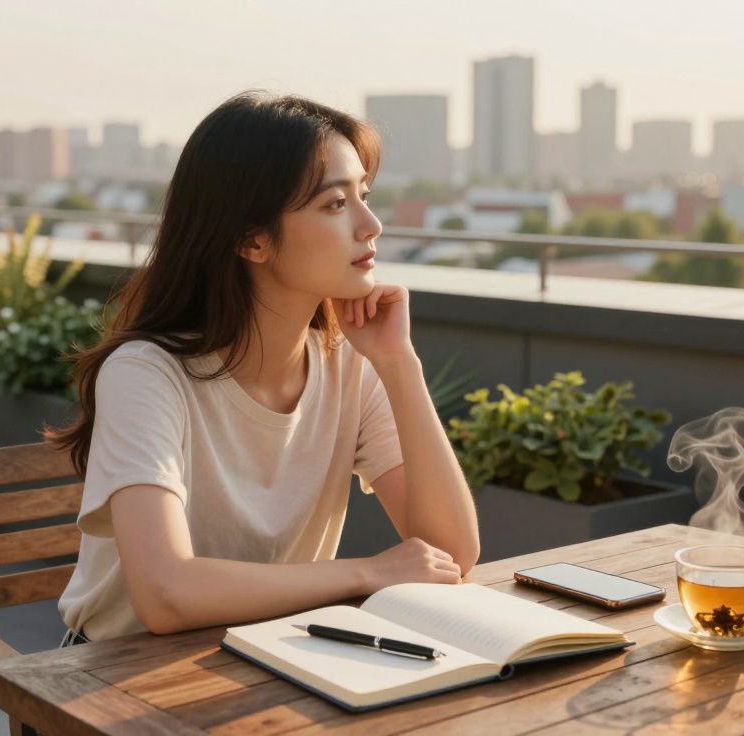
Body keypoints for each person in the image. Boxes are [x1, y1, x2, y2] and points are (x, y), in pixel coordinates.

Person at [48, 91, 479, 643]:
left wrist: (399, 364)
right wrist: (369, 573)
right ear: (251, 239)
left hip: (272, 660)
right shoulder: (145, 373)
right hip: (121, 679)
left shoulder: (349, 364)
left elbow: (452, 556)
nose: (370, 225)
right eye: (334, 204)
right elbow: (165, 595)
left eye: (364, 197)